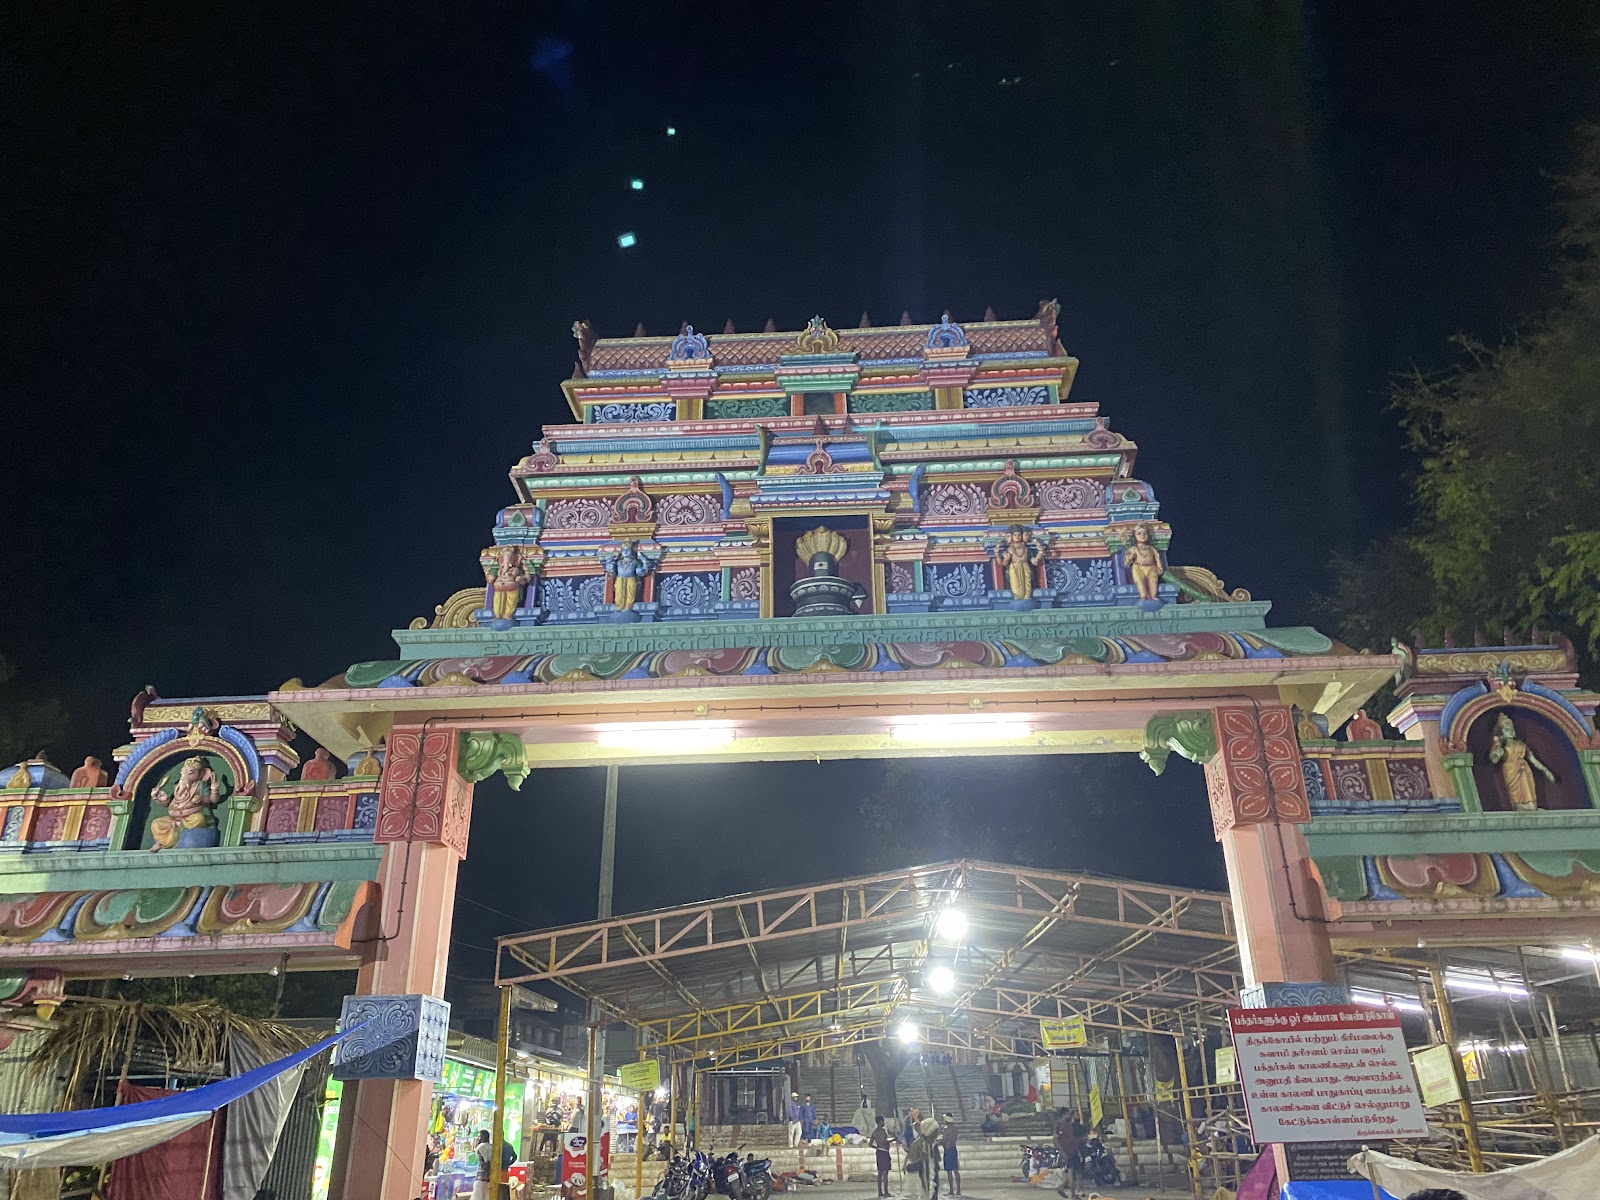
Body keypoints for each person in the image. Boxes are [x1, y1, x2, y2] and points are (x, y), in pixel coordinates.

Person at [1053, 1109, 1084, 1200]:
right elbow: (1056, 1140)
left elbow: (1072, 1138)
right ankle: (1072, 1193)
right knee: (1071, 1173)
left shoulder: (1070, 1125)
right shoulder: (1060, 1126)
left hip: (1073, 1150)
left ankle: (1064, 1188)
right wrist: (1062, 1153)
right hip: (1067, 1152)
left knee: (1075, 1172)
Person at [868, 1115, 892, 1198]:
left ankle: (880, 1192)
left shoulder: (874, 1132)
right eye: (883, 1121)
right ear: (879, 1122)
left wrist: (877, 1148)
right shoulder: (882, 1131)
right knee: (885, 1173)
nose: (884, 1123)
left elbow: (870, 1144)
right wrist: (893, 1140)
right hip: (884, 1152)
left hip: (879, 1152)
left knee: (880, 1172)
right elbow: (884, 1142)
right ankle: (886, 1192)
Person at [940, 1114, 960, 1197]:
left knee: (949, 1171)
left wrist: (937, 1143)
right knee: (955, 1170)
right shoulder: (955, 1129)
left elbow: (944, 1140)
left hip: (948, 1150)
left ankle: (951, 1190)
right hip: (953, 1149)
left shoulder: (946, 1129)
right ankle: (958, 1190)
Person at [472, 1130, 493, 1200]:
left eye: (480, 1136)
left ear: (484, 1137)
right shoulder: (492, 1147)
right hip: (490, 1178)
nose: (478, 1138)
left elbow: (482, 1162)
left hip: (481, 1177)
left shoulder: (480, 1147)